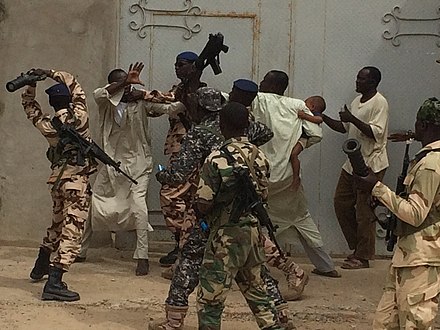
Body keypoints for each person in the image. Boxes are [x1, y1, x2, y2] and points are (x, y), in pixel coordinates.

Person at [151, 88, 294, 329]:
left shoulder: (202, 137)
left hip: (216, 223)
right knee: (256, 276)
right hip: (249, 222)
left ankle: (173, 320)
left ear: (200, 108)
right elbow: (265, 136)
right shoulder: (257, 152)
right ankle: (281, 316)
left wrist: (162, 176)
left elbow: (182, 178)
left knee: (190, 265)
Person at [76, 62, 184, 276]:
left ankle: (141, 256)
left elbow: (171, 108)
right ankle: (80, 250)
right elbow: (99, 95)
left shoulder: (141, 102)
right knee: (93, 204)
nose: (128, 87)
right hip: (110, 164)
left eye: (128, 82)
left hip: (138, 165)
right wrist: (126, 82)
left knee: (138, 207)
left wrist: (181, 94)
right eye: (123, 83)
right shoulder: (106, 103)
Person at [355, 98, 440, 329]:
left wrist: (377, 187)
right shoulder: (428, 158)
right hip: (408, 255)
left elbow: (415, 214)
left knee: (416, 323)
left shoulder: (431, 163)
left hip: (421, 259)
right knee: (384, 322)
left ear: (422, 125)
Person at [196, 101, 282, 330]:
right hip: (253, 233)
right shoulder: (260, 155)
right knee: (258, 292)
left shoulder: (216, 158)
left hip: (225, 236)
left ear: (222, 125)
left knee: (210, 299)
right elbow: (264, 193)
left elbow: (203, 202)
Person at [253, 70, 340, 278]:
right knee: (301, 218)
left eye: (264, 80)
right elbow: (316, 134)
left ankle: (254, 267)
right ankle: (326, 266)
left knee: (249, 219)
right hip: (287, 177)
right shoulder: (297, 104)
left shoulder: (257, 99)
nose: (261, 82)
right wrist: (299, 145)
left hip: (260, 174)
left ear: (273, 85)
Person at [23, 69, 97, 301]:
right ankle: (55, 280)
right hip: (77, 180)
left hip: (58, 180)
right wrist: (51, 73)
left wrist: (30, 86)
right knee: (73, 230)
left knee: (57, 223)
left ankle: (41, 263)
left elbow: (30, 108)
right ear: (69, 100)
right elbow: (75, 84)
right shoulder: (80, 117)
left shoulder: (49, 124)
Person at [322, 66, 389, 269]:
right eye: (357, 77)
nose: (357, 81)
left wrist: (352, 118)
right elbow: (345, 128)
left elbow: (374, 133)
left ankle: (364, 256)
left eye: (361, 79)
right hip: (352, 163)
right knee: (341, 203)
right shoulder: (357, 101)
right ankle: (357, 249)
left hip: (371, 164)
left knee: (364, 212)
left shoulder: (380, 103)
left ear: (373, 82)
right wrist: (322, 117)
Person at [159, 51, 207, 267]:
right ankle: (182, 244)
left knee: (174, 196)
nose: (177, 68)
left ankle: (186, 245)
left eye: (182, 64)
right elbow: (159, 108)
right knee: (184, 201)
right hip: (178, 150)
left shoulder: (202, 91)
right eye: (176, 64)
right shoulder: (176, 90)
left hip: (191, 152)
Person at [290, 96, 326, 191]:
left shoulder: (314, 114)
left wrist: (305, 116)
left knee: (294, 154)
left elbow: (319, 119)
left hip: (304, 138)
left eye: (306, 103)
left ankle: (296, 178)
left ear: (312, 106)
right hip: (297, 136)